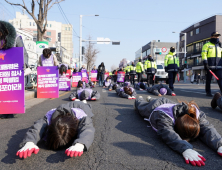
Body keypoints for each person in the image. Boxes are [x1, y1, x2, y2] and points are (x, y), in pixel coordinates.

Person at [134, 96, 222, 167]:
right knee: (140, 106)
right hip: (154, 106)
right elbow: (168, 133)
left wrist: (219, 144)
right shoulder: (163, 117)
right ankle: (141, 98)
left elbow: (207, 128)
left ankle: (151, 98)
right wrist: (185, 148)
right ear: (175, 127)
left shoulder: (195, 113)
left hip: (169, 103)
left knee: (159, 100)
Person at [16, 101, 95, 159]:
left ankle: (82, 101)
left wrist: (80, 143)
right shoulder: (49, 116)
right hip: (68, 108)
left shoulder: (82, 116)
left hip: (81, 106)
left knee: (86, 105)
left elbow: (87, 129)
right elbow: (37, 128)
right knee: (76, 100)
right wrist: (29, 142)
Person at [0, 20, 29, 119]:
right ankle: (3, 110)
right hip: (3, 68)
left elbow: (23, 53)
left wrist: (24, 65)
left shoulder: (17, 38)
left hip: (14, 69)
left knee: (12, 89)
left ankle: (11, 110)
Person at [202, 32, 222, 97]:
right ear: (211, 37)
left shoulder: (220, 45)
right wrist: (205, 63)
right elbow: (204, 54)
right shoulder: (207, 45)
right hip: (209, 66)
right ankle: (208, 92)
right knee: (208, 79)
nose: (216, 37)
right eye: (215, 36)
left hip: (219, 66)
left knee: (220, 79)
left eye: (217, 36)